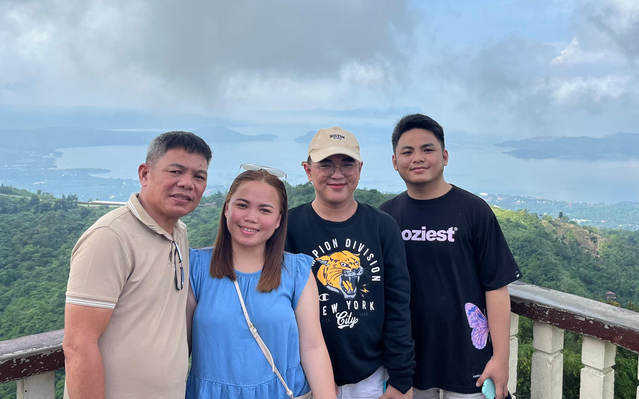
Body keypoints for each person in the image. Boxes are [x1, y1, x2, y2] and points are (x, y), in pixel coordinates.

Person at [379, 114, 522, 399]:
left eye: (427, 149)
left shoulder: (474, 211)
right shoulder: (386, 217)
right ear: (395, 162)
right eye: (407, 151)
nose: (417, 158)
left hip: (470, 361)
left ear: (444, 156)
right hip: (408, 363)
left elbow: (496, 287)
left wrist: (501, 359)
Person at [63, 131, 212, 399]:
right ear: (145, 174)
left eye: (198, 176)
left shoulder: (179, 233)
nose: (187, 183)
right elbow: (78, 344)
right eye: (175, 171)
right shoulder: (111, 237)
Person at [286, 127, 415, 399]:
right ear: (308, 170)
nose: (337, 174)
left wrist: (401, 379)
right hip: (302, 379)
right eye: (325, 165)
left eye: (347, 164)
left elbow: (397, 305)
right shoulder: (287, 227)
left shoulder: (382, 227)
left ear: (359, 169)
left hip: (370, 379)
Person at [187, 166, 337, 399]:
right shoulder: (195, 268)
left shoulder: (296, 272)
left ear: (278, 220)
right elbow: (178, 347)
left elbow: (313, 347)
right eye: (242, 205)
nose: (251, 217)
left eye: (264, 210)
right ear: (227, 208)